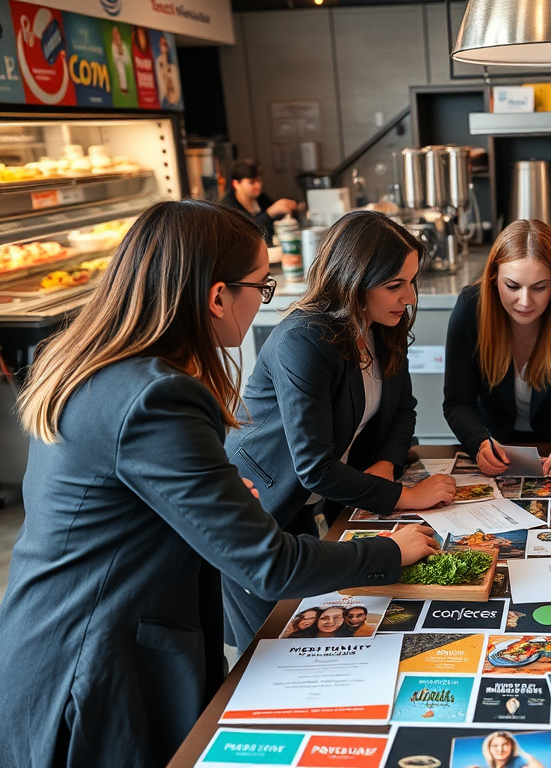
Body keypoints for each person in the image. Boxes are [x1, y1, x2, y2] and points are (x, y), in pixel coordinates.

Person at [0, 200, 440, 768]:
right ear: (216, 296)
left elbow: (114, 496)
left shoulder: (97, 362)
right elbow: (269, 565)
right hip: (96, 659)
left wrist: (215, 492)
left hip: (51, 635)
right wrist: (386, 551)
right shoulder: (161, 395)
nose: (265, 299)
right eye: (261, 284)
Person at [222, 210, 455, 650]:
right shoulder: (303, 338)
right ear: (352, 281)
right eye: (395, 285)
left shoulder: (383, 325)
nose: (408, 297)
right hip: (267, 499)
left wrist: (386, 463)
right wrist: (407, 496)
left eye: (411, 282)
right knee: (275, 644)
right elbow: (313, 467)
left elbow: (404, 409)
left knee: (337, 624)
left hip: (330, 499)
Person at [444, 219, 551, 477]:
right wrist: (479, 442)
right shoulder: (470, 309)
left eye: (539, 287)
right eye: (512, 286)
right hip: (498, 451)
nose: (525, 302)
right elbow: (457, 402)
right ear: (493, 278)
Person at [219, 158, 297, 247]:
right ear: (236, 184)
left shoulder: (261, 199)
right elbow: (245, 230)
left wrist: (290, 208)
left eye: (259, 180)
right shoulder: (227, 206)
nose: (258, 185)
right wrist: (269, 213)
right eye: (252, 182)